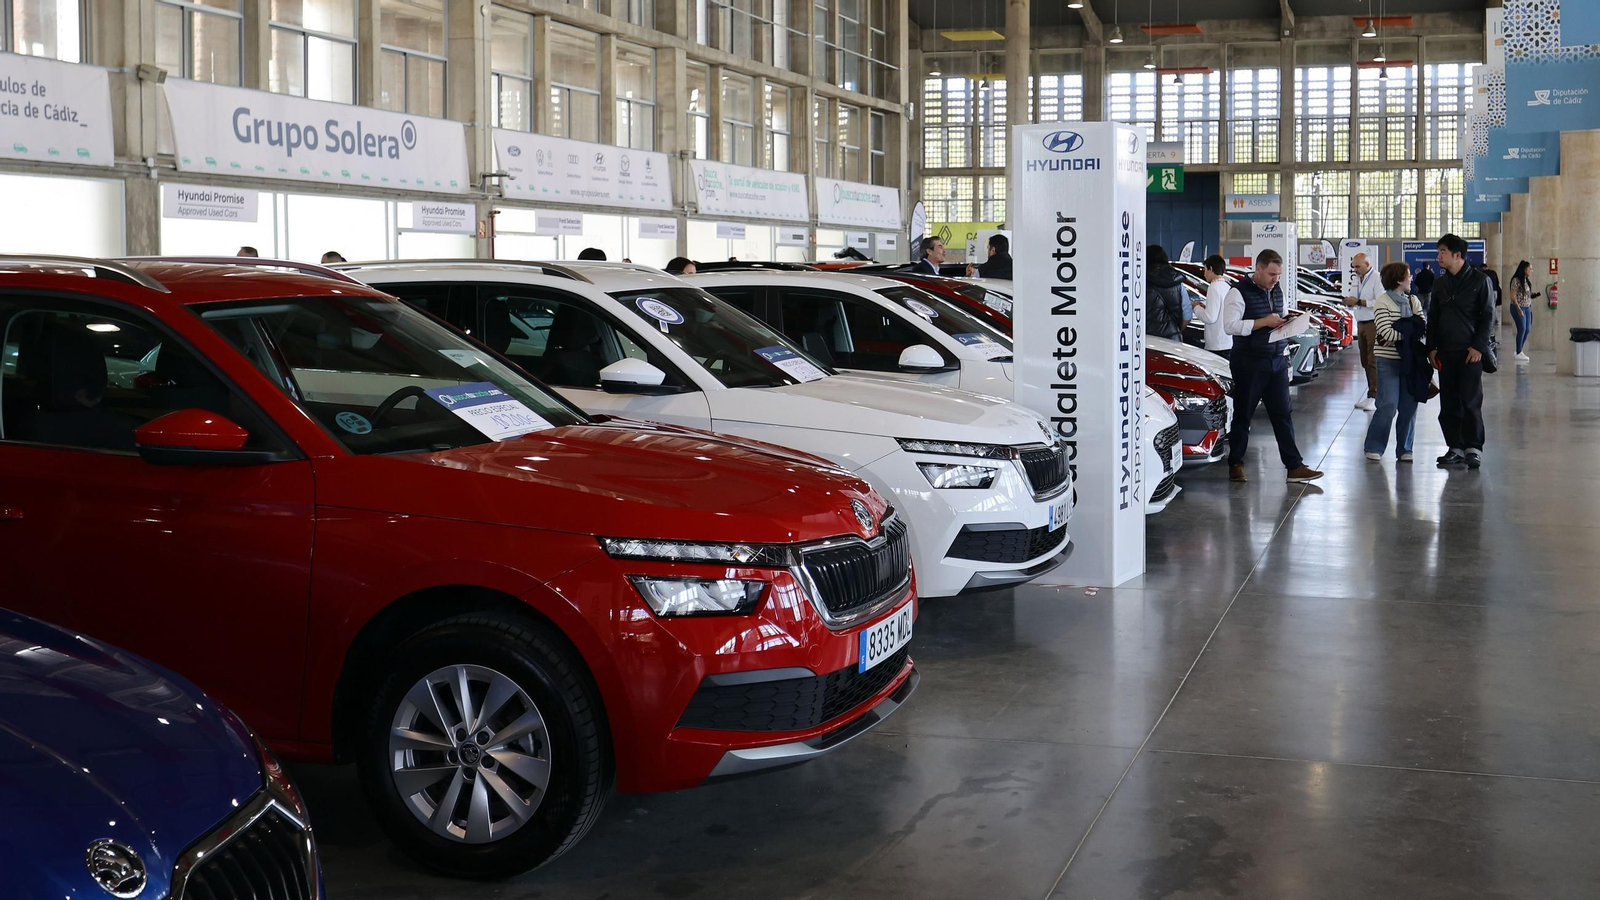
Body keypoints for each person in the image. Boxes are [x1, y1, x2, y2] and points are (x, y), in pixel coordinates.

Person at [1222, 248, 1324, 484]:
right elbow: (1230, 326)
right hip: (1249, 361)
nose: (1275, 279)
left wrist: (1287, 323)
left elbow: (1282, 315)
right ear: (1258, 269)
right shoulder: (1237, 292)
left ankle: (1294, 466)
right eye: (1271, 274)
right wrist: (1263, 322)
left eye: (1278, 274)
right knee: (1243, 414)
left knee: (1283, 414)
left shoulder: (1277, 291)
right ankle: (1236, 463)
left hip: (1276, 360)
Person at [1428, 234, 1496, 469]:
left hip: (1470, 353)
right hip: (1445, 353)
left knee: (1470, 402)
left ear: (1457, 255)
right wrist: (1432, 348)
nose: (1438, 257)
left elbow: (1488, 316)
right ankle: (1455, 447)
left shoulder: (1480, 280)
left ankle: (1473, 448)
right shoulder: (1440, 284)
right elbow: (1433, 318)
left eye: (1443, 252)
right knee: (1449, 403)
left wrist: (1479, 346)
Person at [1363, 262, 1427, 462]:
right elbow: (1385, 332)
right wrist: (1410, 328)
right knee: (1388, 404)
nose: (1411, 279)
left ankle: (1405, 449)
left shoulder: (1413, 300)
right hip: (1387, 361)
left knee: (1409, 406)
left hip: (1411, 362)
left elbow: (1422, 327)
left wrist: (1403, 329)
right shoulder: (1382, 302)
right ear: (1399, 280)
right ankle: (1374, 446)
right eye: (1408, 276)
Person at [1344, 251, 1380, 411]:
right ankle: (1370, 394)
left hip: (1373, 323)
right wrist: (1350, 302)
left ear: (1367, 264)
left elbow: (1380, 300)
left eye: (1357, 266)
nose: (1355, 269)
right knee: (1365, 361)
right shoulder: (1357, 279)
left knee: (1373, 361)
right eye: (1353, 267)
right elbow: (1355, 297)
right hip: (1361, 323)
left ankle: (1376, 396)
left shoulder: (1377, 278)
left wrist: (1360, 301)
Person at [1193, 254, 1232, 359]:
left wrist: (1196, 307)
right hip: (1228, 341)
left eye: (1205, 270)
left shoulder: (1213, 287)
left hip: (1216, 344)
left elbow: (1210, 317)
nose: (1204, 274)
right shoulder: (1227, 286)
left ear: (1211, 269)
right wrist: (1205, 306)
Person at [1145, 244, 1186, 340]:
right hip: (1171, 338)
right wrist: (1176, 330)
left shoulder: (1139, 280)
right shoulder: (1176, 281)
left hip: (1147, 339)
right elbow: (1187, 315)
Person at [1508, 260, 1537, 362]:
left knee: (1527, 329)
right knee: (1522, 329)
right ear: (1524, 269)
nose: (1531, 271)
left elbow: (1526, 294)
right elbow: (1513, 296)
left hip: (1527, 307)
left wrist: (1533, 295)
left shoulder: (1526, 280)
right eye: (1530, 269)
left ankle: (1519, 349)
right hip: (1518, 308)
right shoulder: (1516, 280)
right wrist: (1518, 309)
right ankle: (1519, 352)